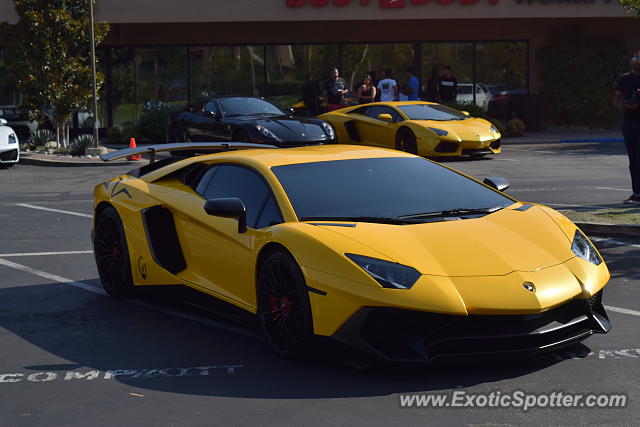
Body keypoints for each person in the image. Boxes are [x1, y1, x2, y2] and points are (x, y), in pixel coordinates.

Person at [614, 50, 640, 204]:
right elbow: (616, 99)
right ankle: (636, 192)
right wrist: (625, 104)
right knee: (633, 160)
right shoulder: (624, 79)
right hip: (628, 123)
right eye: (636, 59)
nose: (637, 62)